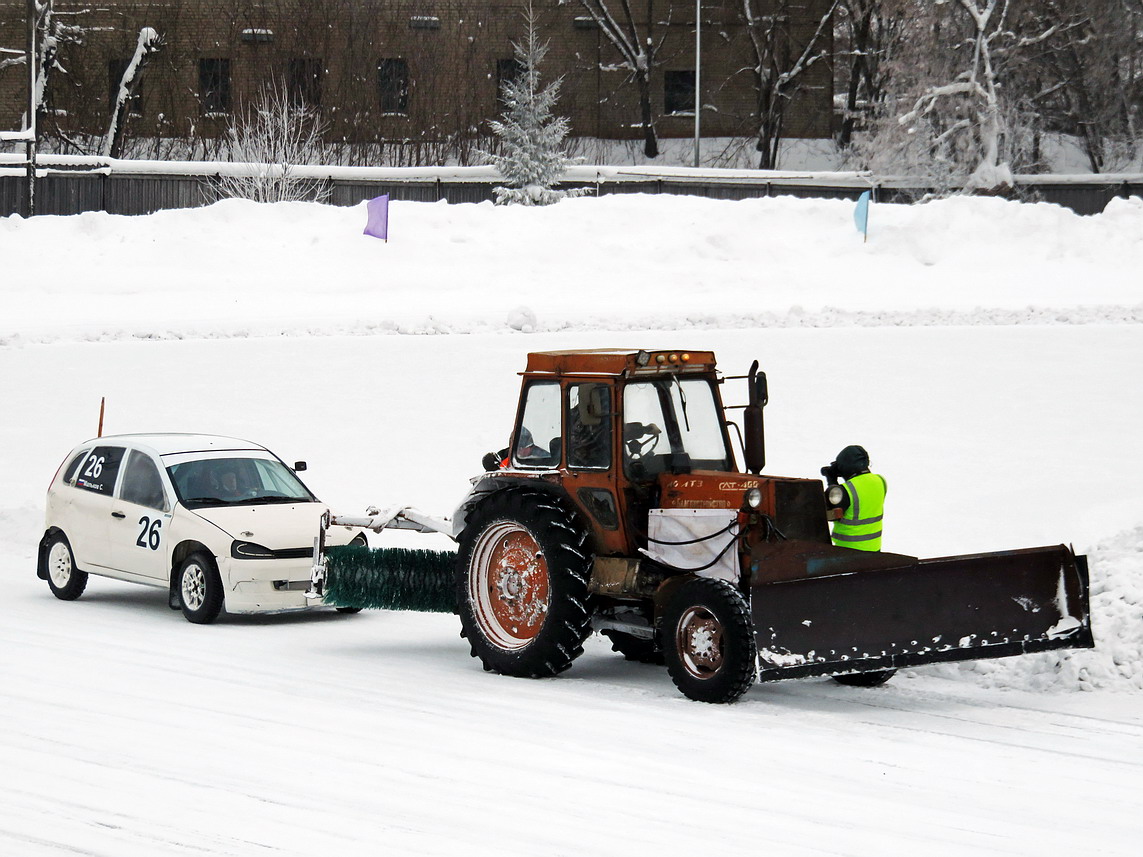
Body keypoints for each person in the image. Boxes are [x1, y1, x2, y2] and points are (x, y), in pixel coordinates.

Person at [821, 445, 886, 551]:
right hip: (874, 549)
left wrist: (831, 480)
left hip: (847, 551)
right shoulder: (881, 481)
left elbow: (832, 513)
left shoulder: (848, 489)